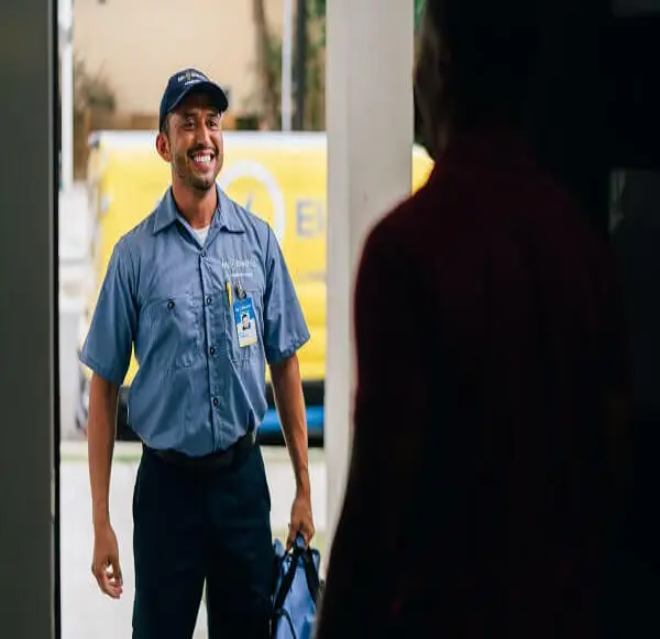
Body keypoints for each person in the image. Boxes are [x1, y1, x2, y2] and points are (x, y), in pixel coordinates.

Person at [315, 2, 629, 637]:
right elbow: (612, 471)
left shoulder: (406, 251)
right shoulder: (587, 249)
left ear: (441, 66)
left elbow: (380, 502)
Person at [81, 67, 315, 639]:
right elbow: (104, 387)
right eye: (188, 124)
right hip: (166, 494)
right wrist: (101, 522)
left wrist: (304, 490)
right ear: (166, 145)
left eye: (213, 122)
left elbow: (285, 363)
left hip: (241, 484)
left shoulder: (258, 242)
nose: (203, 136)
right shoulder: (133, 256)